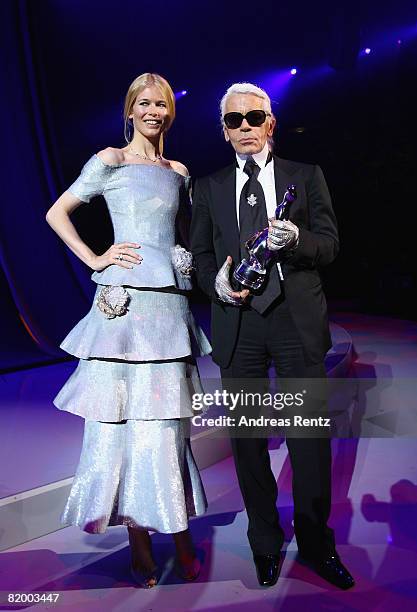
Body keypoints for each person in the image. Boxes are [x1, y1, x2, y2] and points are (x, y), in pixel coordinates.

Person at [45, 72, 211, 588]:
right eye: (145, 103)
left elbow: (182, 238)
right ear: (130, 109)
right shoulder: (109, 161)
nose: (154, 112)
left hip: (168, 311)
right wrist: (96, 257)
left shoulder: (179, 171)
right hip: (125, 309)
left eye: (162, 104)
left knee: (166, 426)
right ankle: (139, 537)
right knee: (124, 425)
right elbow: (57, 213)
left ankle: (178, 530)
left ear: (170, 112)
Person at [190, 82, 354, 589]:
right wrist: (214, 281)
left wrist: (299, 239)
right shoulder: (209, 186)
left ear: (270, 123)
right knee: (248, 440)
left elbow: (329, 246)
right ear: (223, 130)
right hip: (238, 323)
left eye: (253, 117)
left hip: (294, 321)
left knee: (307, 438)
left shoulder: (306, 178)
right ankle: (265, 542)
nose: (244, 127)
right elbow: (200, 256)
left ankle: (315, 543)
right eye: (234, 120)